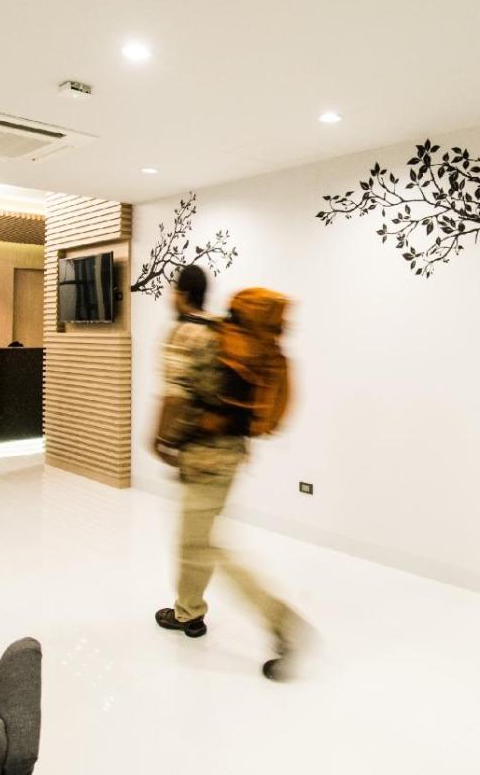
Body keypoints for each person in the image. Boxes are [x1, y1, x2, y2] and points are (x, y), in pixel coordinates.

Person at [152, 265, 305, 680]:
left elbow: (174, 397)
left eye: (172, 290)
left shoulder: (186, 333)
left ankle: (280, 619)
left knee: (201, 543)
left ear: (183, 293)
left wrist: (158, 439)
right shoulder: (220, 330)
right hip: (231, 453)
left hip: (204, 456)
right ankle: (188, 611)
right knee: (194, 538)